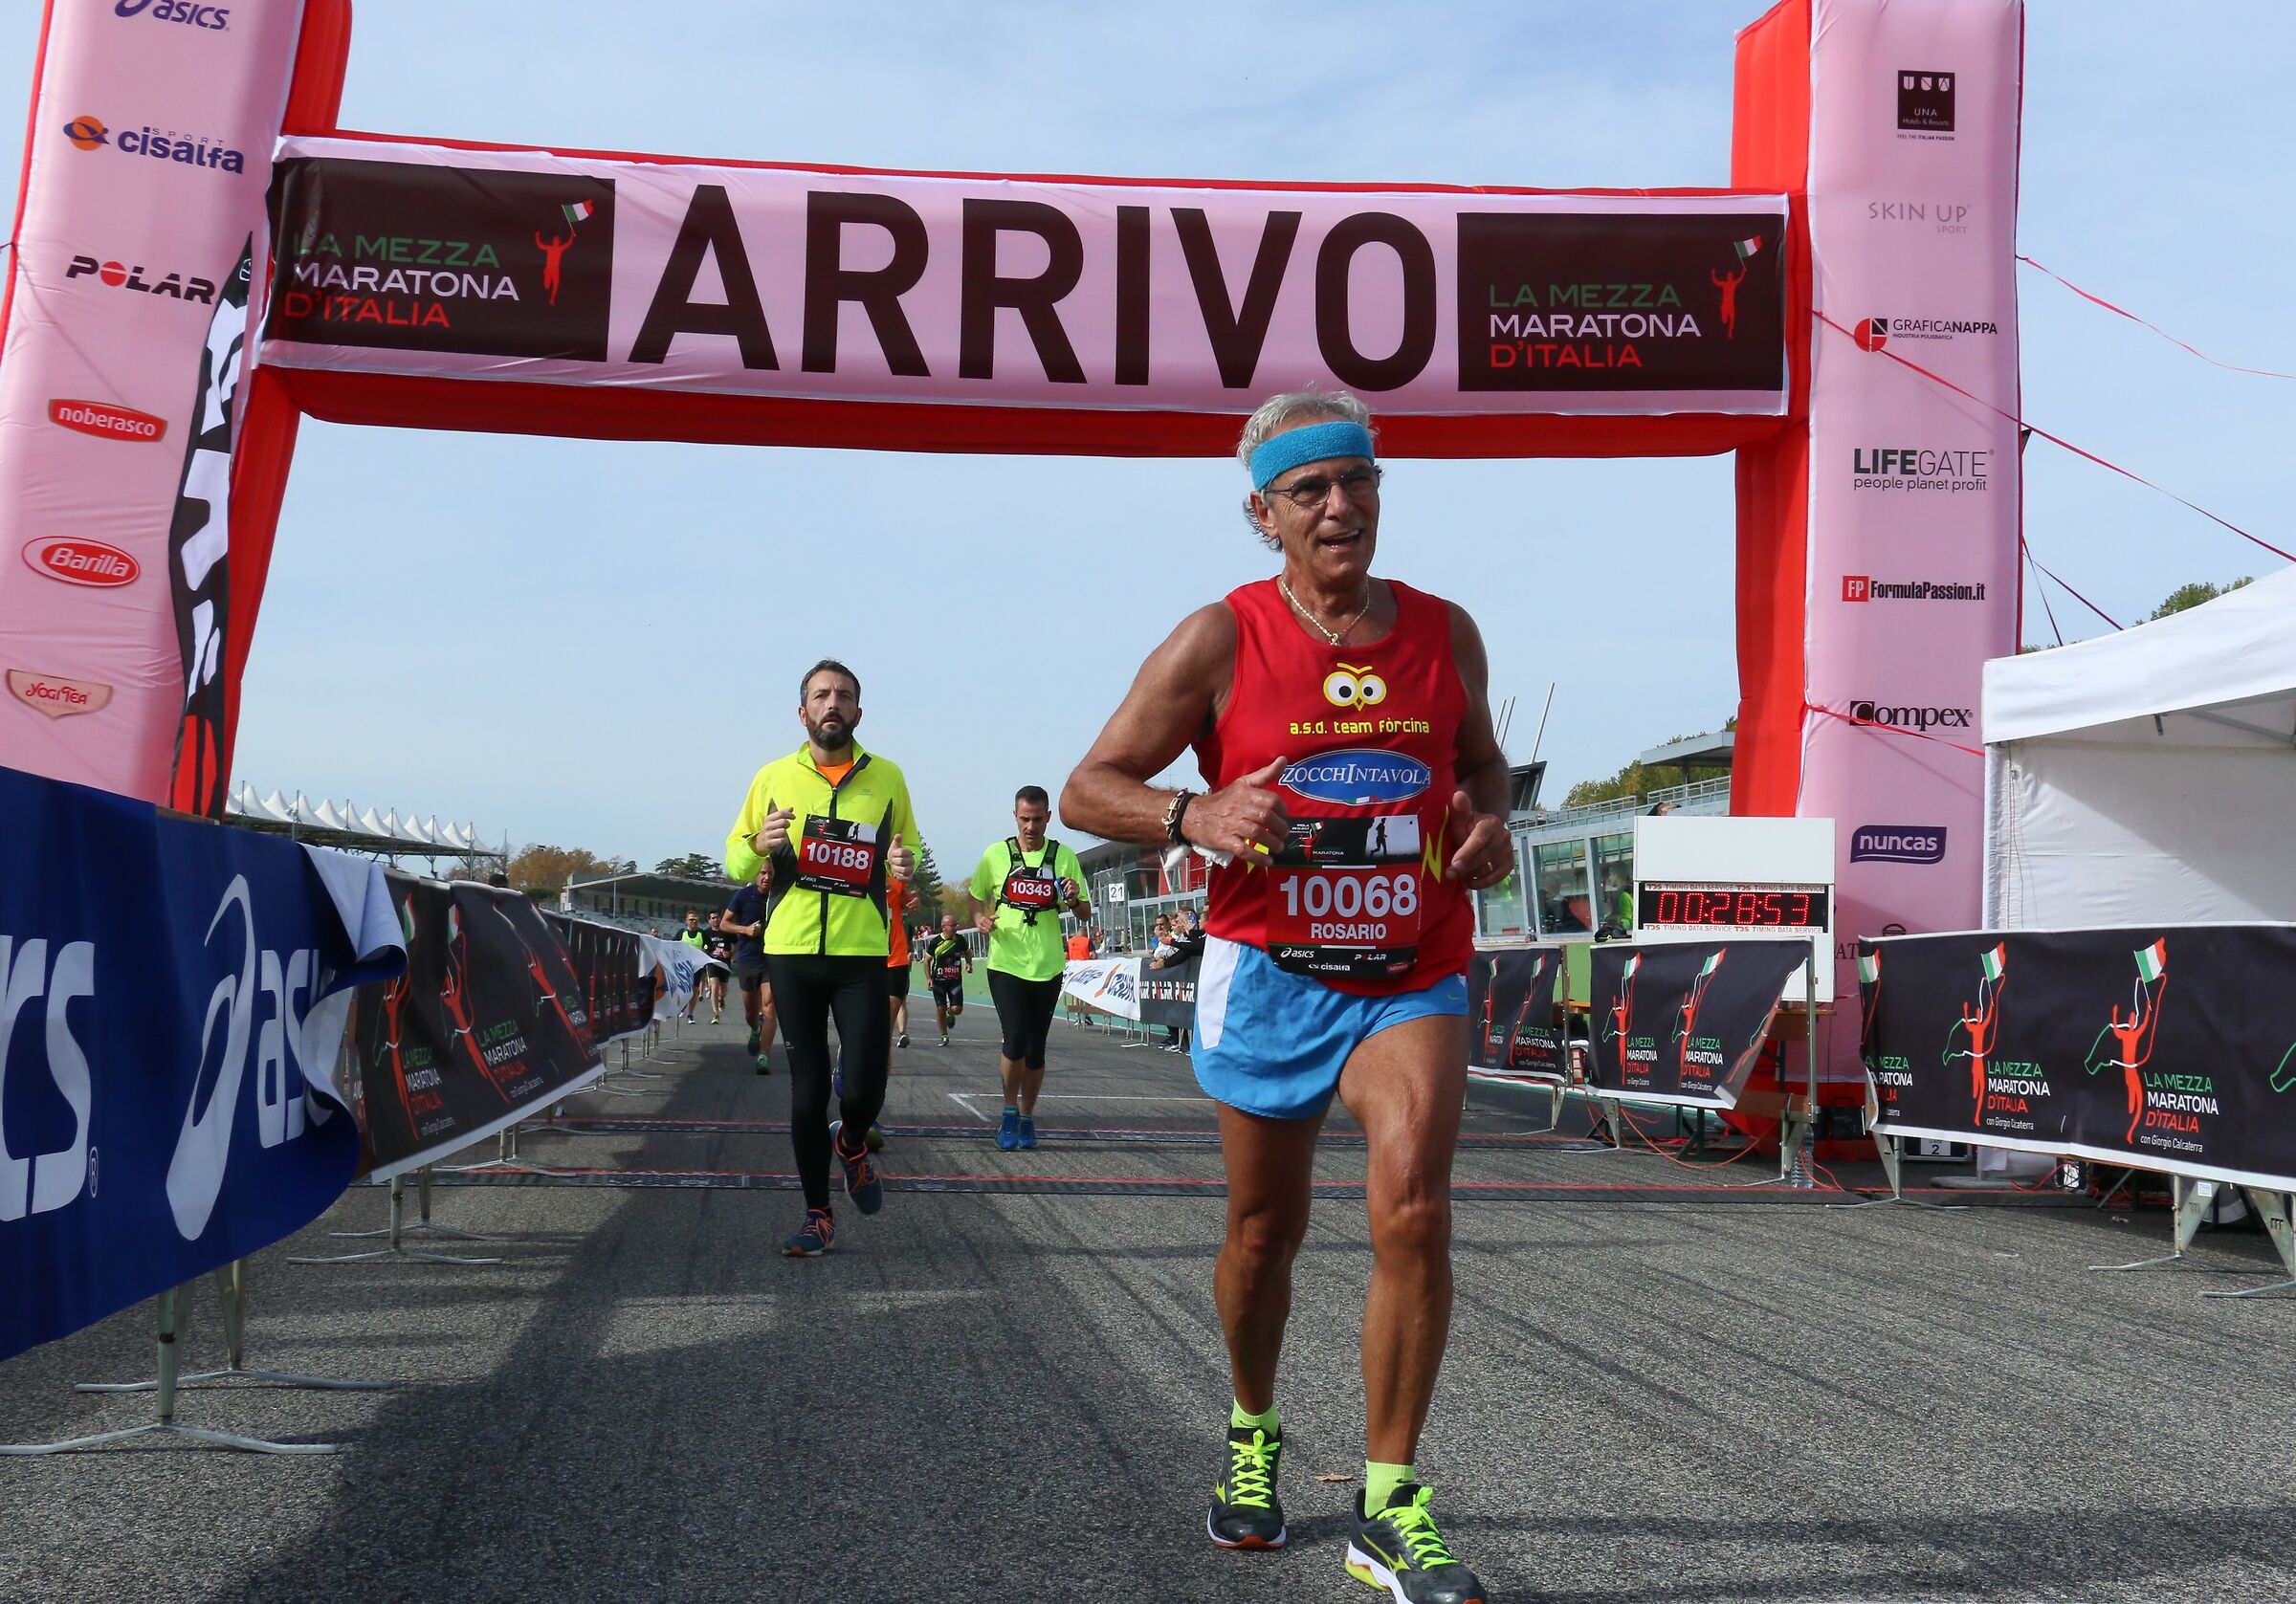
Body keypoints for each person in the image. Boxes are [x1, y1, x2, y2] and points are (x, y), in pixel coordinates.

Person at [1060, 389, 1514, 1601]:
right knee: (1266, 1236)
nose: (1339, 507)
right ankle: (1254, 1432)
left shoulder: (1444, 632)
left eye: (1355, 481)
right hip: (1270, 974)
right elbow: (1086, 787)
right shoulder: (1220, 639)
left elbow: (1481, 769)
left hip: (1409, 966)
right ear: (1263, 515)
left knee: (1413, 1206)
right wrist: (1192, 813)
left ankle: (1387, 1500)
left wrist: (1489, 825)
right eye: (1308, 491)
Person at [723, 659, 924, 1258]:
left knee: (863, 1087)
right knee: (807, 1094)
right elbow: (734, 857)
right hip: (790, 952)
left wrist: (904, 863)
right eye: (820, 695)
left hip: (862, 952)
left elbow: (906, 844)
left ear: (858, 711)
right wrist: (758, 844)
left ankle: (854, 1142)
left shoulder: (887, 777)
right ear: (802, 711)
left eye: (843, 695)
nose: (831, 703)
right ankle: (817, 1213)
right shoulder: (773, 777)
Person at [968, 784, 1091, 1152]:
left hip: (1048, 965)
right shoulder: (995, 854)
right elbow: (976, 895)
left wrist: (1072, 898)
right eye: (1025, 819)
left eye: (1038, 820)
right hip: (1006, 963)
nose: (1031, 827)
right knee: (1015, 1038)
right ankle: (1008, 1112)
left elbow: (1084, 912)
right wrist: (979, 918)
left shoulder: (1063, 856)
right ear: (1015, 816)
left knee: (1036, 1048)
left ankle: (1027, 1116)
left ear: (1048, 817)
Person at [721, 868, 779, 1070]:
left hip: (773, 959)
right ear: (756, 875)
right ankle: (755, 1029)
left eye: (771, 873)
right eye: (763, 873)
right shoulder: (744, 895)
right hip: (748, 959)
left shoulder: (781, 895)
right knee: (750, 1012)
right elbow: (724, 924)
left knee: (770, 1006)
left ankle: (763, 1057)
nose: (767, 877)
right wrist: (745, 930)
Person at [1152, 905, 1206, 1053]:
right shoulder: (1189, 935)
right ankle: (1180, 1039)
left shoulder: (1200, 935)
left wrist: (1167, 957)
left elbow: (1191, 948)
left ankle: (1190, 1042)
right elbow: (1180, 951)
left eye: (1180, 922)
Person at [924, 913, 972, 1045]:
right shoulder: (935, 942)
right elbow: (926, 960)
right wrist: (928, 978)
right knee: (940, 1008)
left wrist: (969, 964)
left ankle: (949, 1013)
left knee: (957, 1009)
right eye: (953, 925)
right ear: (944, 927)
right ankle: (944, 1035)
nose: (956, 928)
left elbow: (968, 953)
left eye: (956, 925)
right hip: (938, 981)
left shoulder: (960, 940)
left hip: (955, 981)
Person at [675, 909, 710, 1024]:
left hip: (697, 966)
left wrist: (704, 951)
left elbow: (711, 947)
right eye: (691, 920)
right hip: (683, 966)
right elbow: (672, 945)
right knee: (684, 989)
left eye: (696, 920)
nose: (693, 922)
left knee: (695, 990)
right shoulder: (681, 933)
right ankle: (682, 1006)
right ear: (686, 920)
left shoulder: (702, 933)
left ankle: (690, 1014)